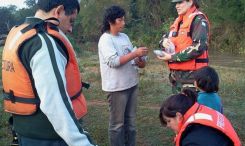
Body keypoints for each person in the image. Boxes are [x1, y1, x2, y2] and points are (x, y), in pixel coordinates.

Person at [2, 0, 96, 145]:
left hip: (24, 134)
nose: (71, 29)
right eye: (71, 21)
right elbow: (55, 104)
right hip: (50, 137)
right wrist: (83, 142)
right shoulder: (43, 42)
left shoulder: (18, 33)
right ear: (58, 11)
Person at [98, 5, 148, 146]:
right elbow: (113, 61)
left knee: (131, 123)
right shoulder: (105, 39)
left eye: (123, 20)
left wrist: (140, 59)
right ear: (110, 21)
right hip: (117, 89)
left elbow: (132, 59)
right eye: (120, 20)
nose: (123, 23)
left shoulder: (124, 37)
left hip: (132, 84)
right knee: (117, 125)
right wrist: (134, 53)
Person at [157, 0, 210, 94]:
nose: (176, 6)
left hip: (193, 79)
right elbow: (163, 39)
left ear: (190, 2)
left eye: (180, 2)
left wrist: (172, 57)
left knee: (193, 107)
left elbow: (199, 47)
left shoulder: (198, 20)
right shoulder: (178, 21)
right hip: (176, 78)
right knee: (178, 108)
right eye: (176, 3)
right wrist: (163, 42)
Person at [159, 89, 241, 146]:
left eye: (168, 121)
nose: (168, 125)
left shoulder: (191, 140)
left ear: (178, 116)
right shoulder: (201, 111)